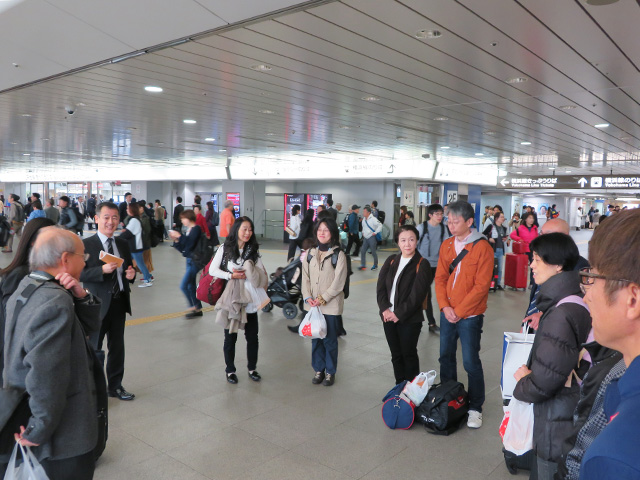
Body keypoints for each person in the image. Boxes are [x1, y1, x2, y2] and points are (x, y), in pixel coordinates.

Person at [2, 227, 103, 479]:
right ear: (65, 259)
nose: (85, 260)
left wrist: (80, 295)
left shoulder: (28, 286)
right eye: (83, 256)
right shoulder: (54, 302)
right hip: (64, 434)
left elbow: (85, 328)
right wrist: (39, 428)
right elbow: (47, 374)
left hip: (27, 412)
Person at [513, 233, 592, 479]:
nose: (531, 265)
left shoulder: (561, 312)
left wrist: (522, 381)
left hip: (556, 419)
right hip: (568, 412)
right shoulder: (573, 299)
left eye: (537, 259)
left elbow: (544, 383)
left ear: (558, 265)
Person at [577, 209, 640, 479]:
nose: (586, 295)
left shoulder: (616, 458)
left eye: (593, 278)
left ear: (632, 300)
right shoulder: (622, 385)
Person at [435, 200, 494, 429]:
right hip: (447, 312)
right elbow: (440, 278)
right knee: (445, 357)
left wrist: (458, 311)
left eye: (455, 221)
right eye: (448, 220)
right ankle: (450, 398)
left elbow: (481, 286)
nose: (450, 224)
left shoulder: (482, 248)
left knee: (470, 362)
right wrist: (444, 307)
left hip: (469, 316)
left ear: (469, 222)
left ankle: (475, 407)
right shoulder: (447, 245)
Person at [80, 202, 137, 401]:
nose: (110, 222)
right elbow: (79, 272)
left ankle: (115, 386)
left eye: (114, 218)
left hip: (119, 301)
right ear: (96, 219)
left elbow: (128, 270)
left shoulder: (122, 243)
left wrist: (131, 275)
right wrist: (100, 271)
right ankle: (94, 392)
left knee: (117, 347)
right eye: (106, 217)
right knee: (95, 348)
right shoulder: (86, 245)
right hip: (96, 305)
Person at [209, 217, 266, 384]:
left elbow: (261, 270)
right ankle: (230, 370)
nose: (248, 233)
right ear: (237, 230)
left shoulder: (253, 250)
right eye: (244, 229)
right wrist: (230, 275)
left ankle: (252, 368)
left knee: (252, 337)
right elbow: (213, 269)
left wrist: (253, 272)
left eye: (250, 229)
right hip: (233, 299)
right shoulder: (225, 248)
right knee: (230, 337)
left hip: (251, 300)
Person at [0, 218, 55, 382]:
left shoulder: (46, 272)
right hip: (18, 357)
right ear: (32, 242)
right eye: (50, 239)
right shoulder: (20, 275)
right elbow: (11, 319)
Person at [377, 224, 431, 384]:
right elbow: (380, 288)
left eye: (411, 240)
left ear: (416, 241)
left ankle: (413, 392)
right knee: (396, 355)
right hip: (388, 317)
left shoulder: (422, 264)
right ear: (398, 242)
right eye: (403, 240)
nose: (407, 244)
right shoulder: (391, 260)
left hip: (409, 320)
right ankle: (400, 386)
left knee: (408, 354)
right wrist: (384, 309)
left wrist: (398, 314)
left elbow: (417, 295)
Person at [302, 217, 347, 386]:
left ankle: (330, 372)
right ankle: (318, 370)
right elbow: (304, 278)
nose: (322, 233)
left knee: (329, 340)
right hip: (312, 305)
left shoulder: (338, 255)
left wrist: (322, 298)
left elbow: (338, 283)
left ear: (332, 233)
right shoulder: (309, 253)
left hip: (331, 306)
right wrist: (308, 297)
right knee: (316, 339)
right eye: (320, 229)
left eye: (326, 230)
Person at [416, 204, 450, 332]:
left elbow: (448, 245)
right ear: (430, 215)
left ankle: (447, 320)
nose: (440, 216)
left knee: (445, 292)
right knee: (426, 294)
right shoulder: (422, 227)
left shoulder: (444, 228)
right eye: (437, 214)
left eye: (441, 214)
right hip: (424, 265)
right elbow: (414, 245)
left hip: (440, 265)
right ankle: (431, 323)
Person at [169, 210, 203, 318]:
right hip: (189, 260)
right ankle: (197, 308)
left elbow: (190, 243)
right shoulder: (189, 231)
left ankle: (192, 307)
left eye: (183, 218)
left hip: (195, 262)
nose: (182, 221)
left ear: (189, 218)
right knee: (190, 285)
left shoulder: (196, 229)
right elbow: (185, 250)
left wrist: (179, 236)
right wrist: (177, 241)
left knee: (183, 285)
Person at [120, 202, 153, 287]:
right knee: (134, 262)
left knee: (140, 263)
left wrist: (118, 238)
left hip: (135, 246)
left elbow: (128, 233)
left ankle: (147, 280)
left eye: (128, 208)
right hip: (135, 246)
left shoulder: (134, 220)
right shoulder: (135, 219)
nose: (127, 210)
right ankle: (148, 276)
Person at [510, 211, 539, 288]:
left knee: (533, 267)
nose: (531, 220)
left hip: (533, 250)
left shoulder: (535, 228)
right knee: (523, 267)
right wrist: (519, 239)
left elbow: (536, 238)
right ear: (526, 219)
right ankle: (520, 283)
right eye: (530, 218)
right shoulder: (521, 228)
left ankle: (532, 283)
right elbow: (512, 235)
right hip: (524, 250)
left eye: (532, 218)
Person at [483, 211, 508, 290]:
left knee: (500, 269)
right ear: (496, 218)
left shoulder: (504, 228)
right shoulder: (491, 226)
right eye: (501, 217)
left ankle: (498, 283)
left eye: (503, 217)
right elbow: (483, 234)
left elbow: (505, 236)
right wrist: (489, 238)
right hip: (493, 250)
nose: (503, 219)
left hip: (500, 250)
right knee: (491, 267)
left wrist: (505, 239)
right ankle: (489, 283)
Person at [359, 206, 382, 271]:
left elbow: (380, 225)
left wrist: (376, 232)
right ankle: (363, 265)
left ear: (368, 212)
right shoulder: (364, 219)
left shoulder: (373, 219)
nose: (363, 213)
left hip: (372, 237)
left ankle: (375, 265)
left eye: (364, 212)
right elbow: (363, 227)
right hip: (366, 238)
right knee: (363, 251)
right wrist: (363, 232)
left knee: (373, 252)